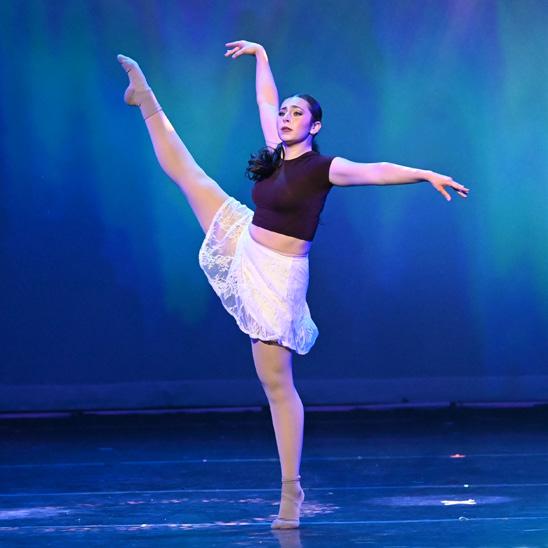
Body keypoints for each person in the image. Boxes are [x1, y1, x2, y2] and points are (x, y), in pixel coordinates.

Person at [117, 40, 470, 529]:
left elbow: (376, 171)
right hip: (245, 239)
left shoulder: (323, 169)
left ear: (315, 126)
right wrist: (262, 57)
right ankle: (145, 98)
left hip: (278, 276)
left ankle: (291, 491)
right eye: (284, 113)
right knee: (188, 173)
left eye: (296, 113)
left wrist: (425, 174)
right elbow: (266, 100)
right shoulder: (276, 153)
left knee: (276, 384)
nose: (285, 117)